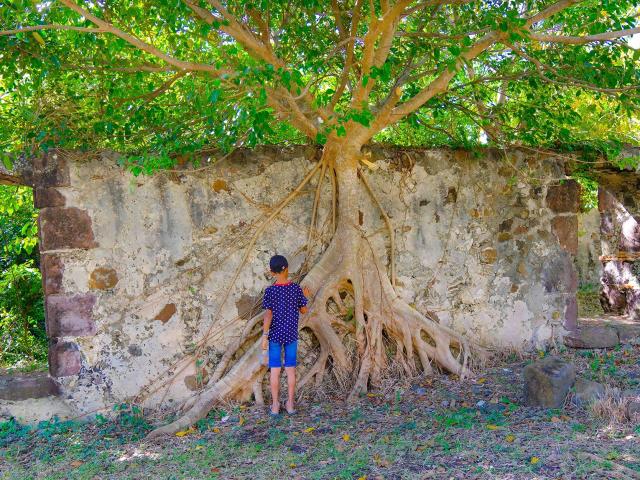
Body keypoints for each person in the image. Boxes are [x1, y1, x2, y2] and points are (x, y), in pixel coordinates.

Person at [261, 255, 310, 415]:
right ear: (287, 268)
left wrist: (264, 336)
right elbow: (303, 310)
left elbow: (268, 315)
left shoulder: (270, 291)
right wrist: (305, 296)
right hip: (291, 335)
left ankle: (275, 406)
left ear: (271, 272)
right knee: (290, 370)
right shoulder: (296, 289)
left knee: (274, 371)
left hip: (274, 335)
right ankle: (290, 405)